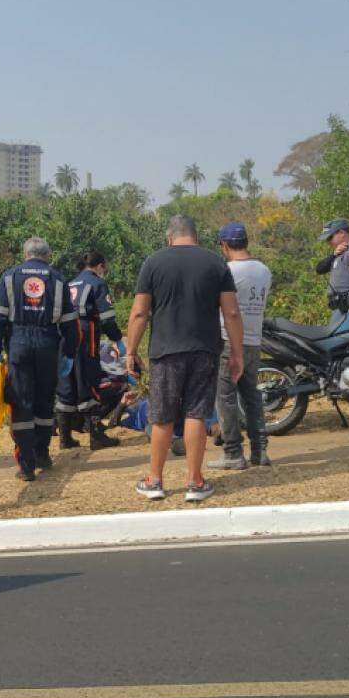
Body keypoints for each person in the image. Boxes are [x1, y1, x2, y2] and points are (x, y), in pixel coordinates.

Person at [124, 214, 244, 503]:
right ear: (196, 236)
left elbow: (140, 312)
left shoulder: (154, 262)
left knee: (162, 414)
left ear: (169, 236)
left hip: (165, 352)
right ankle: (194, 481)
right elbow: (231, 313)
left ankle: (155, 480)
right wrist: (237, 353)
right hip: (204, 350)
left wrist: (131, 351)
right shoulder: (215, 263)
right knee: (196, 413)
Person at [0, 237, 79, 482]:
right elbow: (71, 324)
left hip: (18, 343)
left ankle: (26, 465)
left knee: (21, 403)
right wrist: (69, 353)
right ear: (47, 255)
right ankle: (42, 454)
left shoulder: (9, 277)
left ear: (25, 253)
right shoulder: (58, 279)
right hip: (49, 343)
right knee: (44, 402)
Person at [208, 222, 272, 471]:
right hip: (254, 340)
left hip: (228, 340)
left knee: (225, 397)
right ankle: (260, 451)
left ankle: (233, 453)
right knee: (252, 396)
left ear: (224, 245)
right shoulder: (264, 270)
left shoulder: (226, 270)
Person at [56, 251, 123, 451]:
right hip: (85, 333)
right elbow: (108, 318)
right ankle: (96, 437)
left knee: (67, 383)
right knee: (89, 381)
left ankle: (65, 438)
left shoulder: (70, 284)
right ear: (100, 266)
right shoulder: (97, 284)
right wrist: (118, 340)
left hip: (64, 335)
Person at [315, 218, 349, 324]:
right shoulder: (339, 253)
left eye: (330, 237)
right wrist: (333, 255)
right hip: (339, 307)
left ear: (341, 233)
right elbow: (319, 269)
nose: (328, 242)